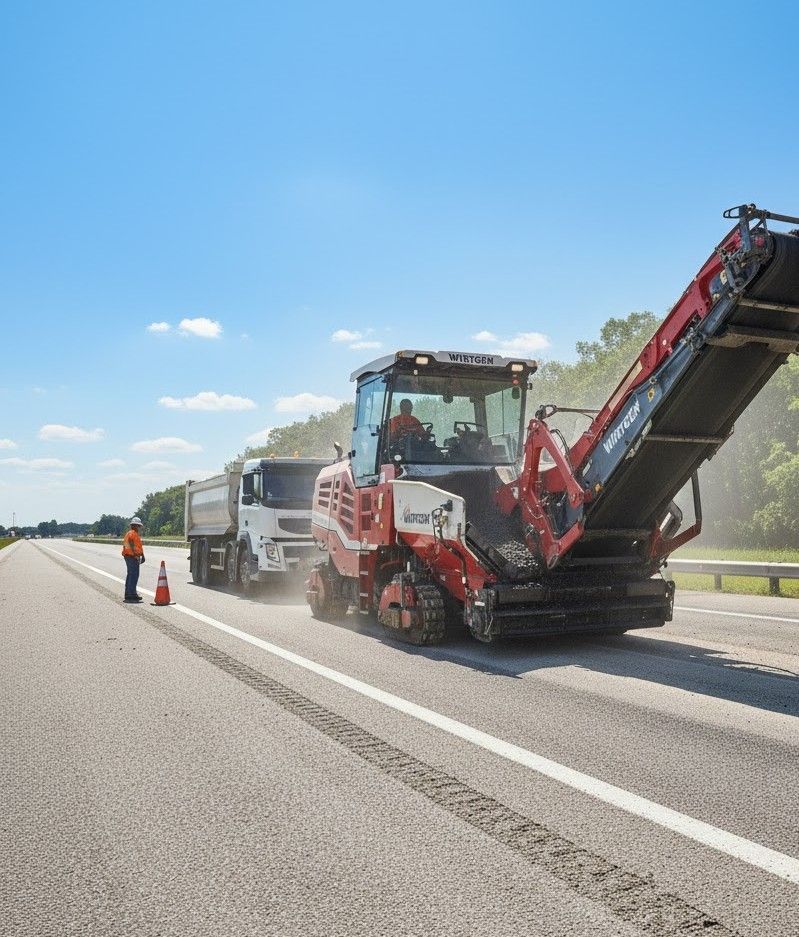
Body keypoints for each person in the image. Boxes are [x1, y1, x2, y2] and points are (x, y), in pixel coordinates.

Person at [122, 517, 145, 602]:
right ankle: (131, 594)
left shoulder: (133, 533)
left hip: (131, 556)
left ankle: (130, 593)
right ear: (134, 525)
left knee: (131, 575)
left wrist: (142, 555)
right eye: (138, 526)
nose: (139, 527)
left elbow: (138, 546)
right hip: (131, 556)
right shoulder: (132, 533)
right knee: (133, 575)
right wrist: (135, 555)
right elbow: (131, 543)